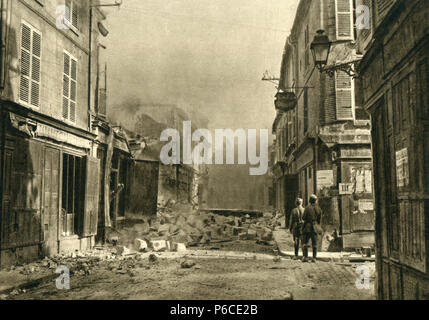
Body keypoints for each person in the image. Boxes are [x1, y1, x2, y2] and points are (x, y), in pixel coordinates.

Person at [301, 194, 322, 263]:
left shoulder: (307, 208)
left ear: (310, 200)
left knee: (305, 242)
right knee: (314, 243)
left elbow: (303, 218)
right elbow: (319, 219)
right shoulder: (318, 208)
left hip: (308, 227)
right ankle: (314, 258)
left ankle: (306, 257)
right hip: (315, 227)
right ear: (315, 201)